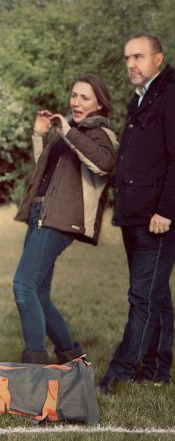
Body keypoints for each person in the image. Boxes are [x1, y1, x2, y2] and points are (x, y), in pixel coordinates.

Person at [13, 74, 117, 365]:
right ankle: (72, 357)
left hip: (60, 219)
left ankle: (34, 366)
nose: (76, 102)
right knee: (39, 293)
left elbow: (104, 164)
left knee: (23, 286)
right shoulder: (66, 132)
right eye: (74, 95)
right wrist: (39, 135)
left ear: (99, 103)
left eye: (85, 97)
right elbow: (41, 173)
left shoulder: (101, 135)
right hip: (39, 212)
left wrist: (69, 132)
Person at [100, 34, 175, 394]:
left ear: (158, 59)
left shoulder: (170, 96)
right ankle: (158, 369)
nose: (132, 63)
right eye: (128, 57)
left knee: (142, 296)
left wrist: (165, 209)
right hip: (135, 214)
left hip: (157, 218)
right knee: (156, 295)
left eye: (139, 57)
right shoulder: (141, 99)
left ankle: (121, 371)